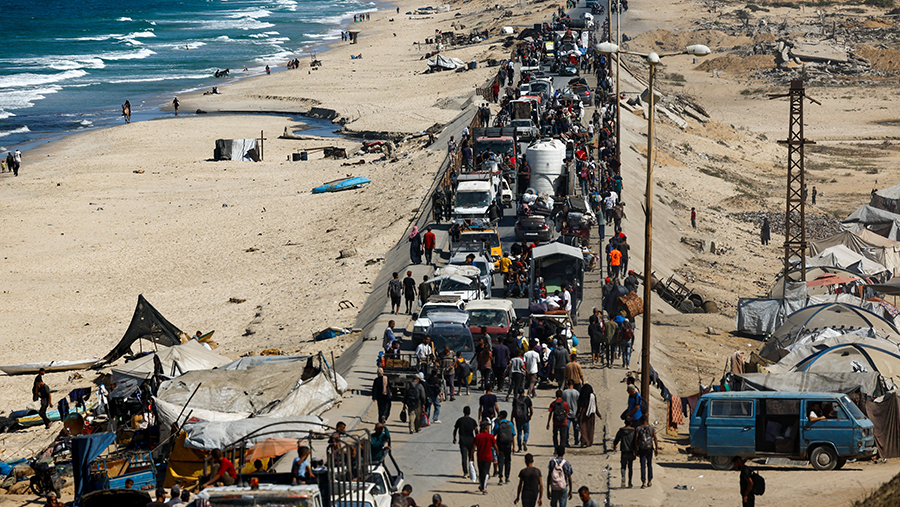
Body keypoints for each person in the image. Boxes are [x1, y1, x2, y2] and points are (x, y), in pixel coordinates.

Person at [453, 406, 478, 478]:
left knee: (464, 457)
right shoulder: (472, 421)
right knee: (471, 457)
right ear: (469, 412)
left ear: (463, 412)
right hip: (471, 441)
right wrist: (477, 439)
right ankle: (472, 472)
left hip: (462, 441)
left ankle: (465, 472)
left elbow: (455, 429)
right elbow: (476, 430)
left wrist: (454, 438)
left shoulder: (460, 420)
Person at [474, 423, 499, 494]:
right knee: (486, 472)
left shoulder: (478, 436)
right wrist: (497, 453)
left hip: (479, 457)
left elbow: (474, 447)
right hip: (488, 457)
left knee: (481, 472)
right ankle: (484, 488)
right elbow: (495, 446)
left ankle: (481, 485)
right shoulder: (490, 436)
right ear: (486, 427)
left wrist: (471, 456)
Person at [493, 410, 516, 484]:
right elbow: (513, 435)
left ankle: (500, 478)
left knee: (500, 460)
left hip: (500, 444)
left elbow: (494, 433)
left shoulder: (498, 423)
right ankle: (507, 477)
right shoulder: (510, 423)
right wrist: (514, 447)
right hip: (508, 444)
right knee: (508, 461)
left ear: (501, 416)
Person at [635, 416, 658, 488]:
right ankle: (650, 481)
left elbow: (636, 439)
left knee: (643, 465)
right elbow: (655, 438)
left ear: (641, 421)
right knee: (649, 464)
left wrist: (636, 449)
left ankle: (643, 482)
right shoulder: (651, 428)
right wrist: (657, 449)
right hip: (649, 448)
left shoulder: (638, 428)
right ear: (647, 420)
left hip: (641, 449)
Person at [613, 419, 636, 488]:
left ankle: (623, 477)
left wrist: (615, 445)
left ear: (624, 422)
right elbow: (636, 441)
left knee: (623, 466)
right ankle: (630, 482)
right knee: (630, 467)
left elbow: (616, 439)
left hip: (623, 451)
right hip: (631, 451)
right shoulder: (633, 431)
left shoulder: (621, 431)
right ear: (631, 423)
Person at [561, 380, 580, 447]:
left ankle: (566, 441)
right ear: (573, 384)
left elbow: (562, 402)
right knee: (576, 428)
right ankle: (576, 440)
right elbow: (578, 402)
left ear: (567, 384)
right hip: (575, 413)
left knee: (566, 428)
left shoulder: (564, 392)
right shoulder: (576, 392)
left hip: (567, 413)